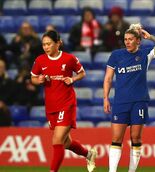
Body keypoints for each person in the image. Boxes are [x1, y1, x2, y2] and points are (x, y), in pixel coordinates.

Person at [103, 23, 155, 172]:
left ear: (138, 41)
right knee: (116, 139)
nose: (127, 41)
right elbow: (108, 79)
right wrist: (105, 98)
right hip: (120, 102)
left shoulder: (146, 54)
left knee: (136, 138)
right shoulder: (116, 55)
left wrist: (150, 37)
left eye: (130, 39)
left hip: (139, 102)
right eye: (125, 39)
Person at [30, 30, 97, 172]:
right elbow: (34, 78)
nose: (46, 47)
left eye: (48, 44)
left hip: (66, 103)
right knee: (66, 143)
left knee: (57, 140)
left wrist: (72, 79)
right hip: (51, 106)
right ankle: (88, 154)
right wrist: (39, 80)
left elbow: (82, 73)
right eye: (44, 45)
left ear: (58, 43)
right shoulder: (40, 60)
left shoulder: (69, 59)